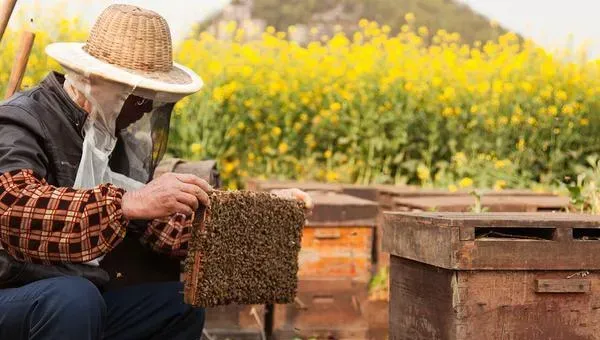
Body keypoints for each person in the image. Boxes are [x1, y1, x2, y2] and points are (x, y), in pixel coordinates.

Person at [0, 4, 312, 340]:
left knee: (177, 307)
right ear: (95, 80)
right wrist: (126, 204)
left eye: (151, 96)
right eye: (137, 96)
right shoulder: (20, 121)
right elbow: (14, 208)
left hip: (78, 301)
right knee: (74, 299)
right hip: (15, 294)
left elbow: (163, 226)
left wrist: (259, 216)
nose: (146, 107)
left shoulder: (108, 138)